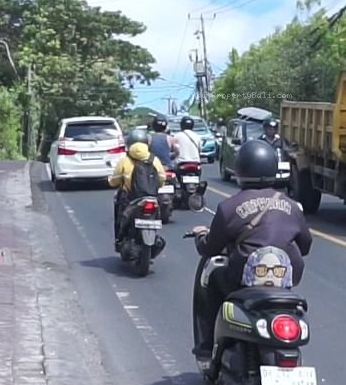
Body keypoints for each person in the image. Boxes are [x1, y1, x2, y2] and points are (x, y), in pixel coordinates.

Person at [189, 139, 313, 364]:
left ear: (240, 168)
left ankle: (207, 344)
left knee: (213, 276)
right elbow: (305, 246)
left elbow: (211, 247)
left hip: (242, 282)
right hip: (284, 284)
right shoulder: (293, 207)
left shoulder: (228, 208)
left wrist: (200, 236)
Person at [109, 129, 165, 243]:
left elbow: (114, 181)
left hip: (130, 199)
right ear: (146, 143)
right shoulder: (154, 159)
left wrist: (112, 181)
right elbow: (162, 179)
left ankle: (119, 238)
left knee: (119, 209)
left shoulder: (125, 160)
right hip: (152, 197)